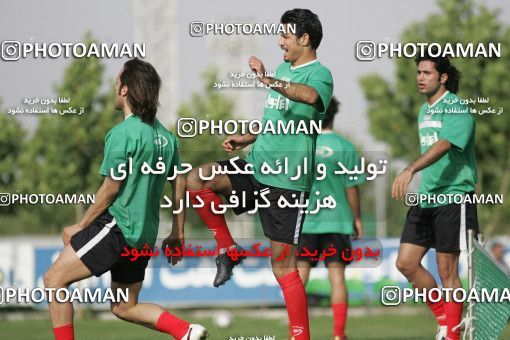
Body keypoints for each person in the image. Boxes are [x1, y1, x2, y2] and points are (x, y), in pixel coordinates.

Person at [186, 8, 333, 340]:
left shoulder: (319, 74)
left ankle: (300, 336)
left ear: (304, 39)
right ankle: (228, 248)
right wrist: (247, 137)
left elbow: (310, 98)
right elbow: (275, 120)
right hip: (255, 166)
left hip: (287, 181)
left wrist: (269, 80)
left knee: (282, 267)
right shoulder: (283, 67)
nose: (279, 41)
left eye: (285, 35)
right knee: (197, 179)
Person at [44, 58, 208, 340]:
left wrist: (81, 225)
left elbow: (110, 189)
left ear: (125, 89)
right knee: (124, 306)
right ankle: (185, 331)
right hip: (144, 235)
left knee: (54, 279)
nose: (114, 85)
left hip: (116, 228)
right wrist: (177, 232)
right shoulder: (168, 139)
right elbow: (179, 184)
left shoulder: (122, 134)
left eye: (117, 81)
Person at [392, 53, 478, 340]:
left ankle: (452, 335)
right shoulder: (423, 110)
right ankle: (445, 318)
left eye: (427, 73)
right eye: (419, 72)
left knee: (447, 270)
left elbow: (444, 144)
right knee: (405, 262)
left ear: (442, 77)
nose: (420, 77)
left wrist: (410, 169)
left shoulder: (455, 107)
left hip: (453, 197)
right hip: (426, 198)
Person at [296, 97, 364, 340]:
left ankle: (297, 335)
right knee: (337, 278)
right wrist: (356, 218)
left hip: (306, 222)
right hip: (338, 220)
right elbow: (352, 188)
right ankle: (339, 335)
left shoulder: (303, 146)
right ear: (334, 115)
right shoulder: (346, 147)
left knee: (298, 281)